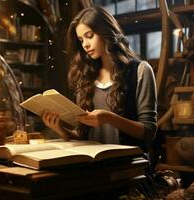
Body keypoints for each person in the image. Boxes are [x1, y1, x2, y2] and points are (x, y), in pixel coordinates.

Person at [42, 6, 157, 153]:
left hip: (129, 166)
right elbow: (84, 136)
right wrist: (61, 130)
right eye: (81, 40)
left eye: (89, 36)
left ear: (106, 32)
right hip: (94, 166)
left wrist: (109, 118)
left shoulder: (140, 71)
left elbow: (149, 132)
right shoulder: (85, 76)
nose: (85, 45)